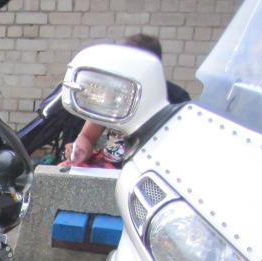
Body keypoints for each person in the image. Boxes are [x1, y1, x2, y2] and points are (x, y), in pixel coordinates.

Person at [66, 34, 190, 167]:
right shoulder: (113, 90)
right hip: (109, 165)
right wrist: (80, 150)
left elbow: (182, 147)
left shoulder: (177, 99)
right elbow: (87, 136)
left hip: (150, 168)